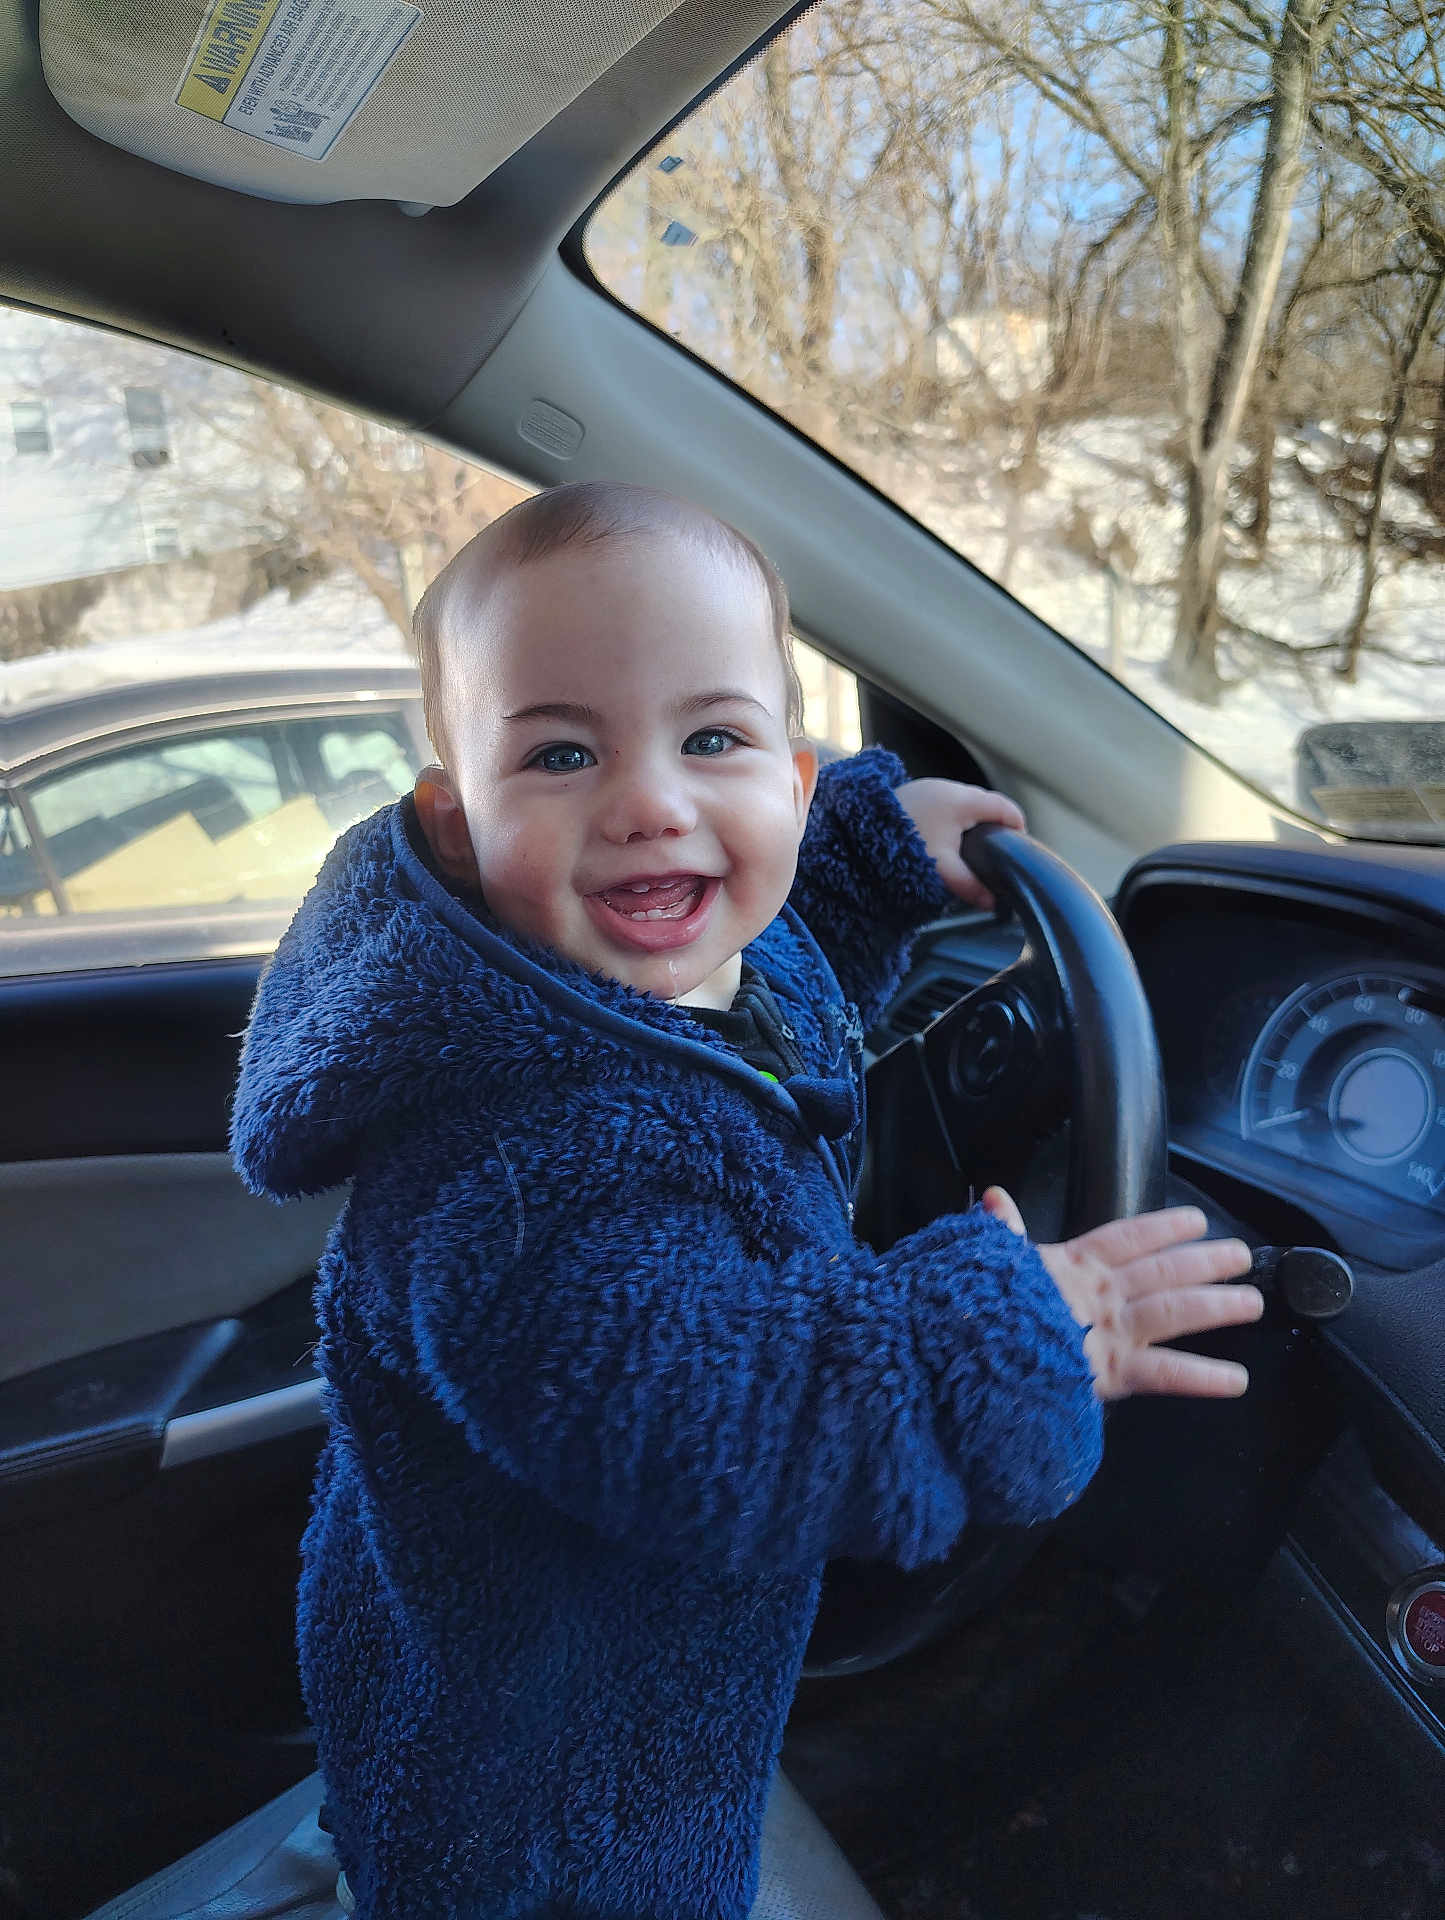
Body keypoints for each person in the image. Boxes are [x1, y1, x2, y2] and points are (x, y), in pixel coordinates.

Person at [231, 481, 1262, 1920]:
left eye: (710, 738)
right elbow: (706, 1412)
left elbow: (785, 976)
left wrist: (866, 852)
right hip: (547, 1765)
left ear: (787, 774)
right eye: (561, 754)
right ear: (457, 824)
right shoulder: (514, 1159)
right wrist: (998, 1338)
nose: (651, 803)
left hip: (562, 1647)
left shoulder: (654, 964)